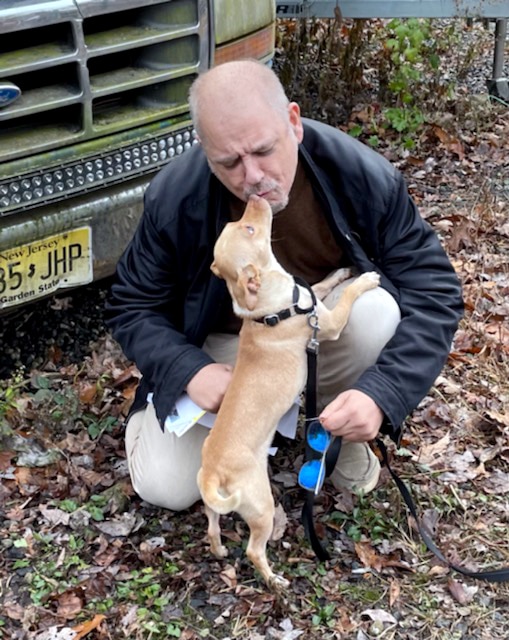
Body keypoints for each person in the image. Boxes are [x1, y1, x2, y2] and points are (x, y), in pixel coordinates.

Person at [105, 60, 463, 512]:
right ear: (204, 147)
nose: (251, 176)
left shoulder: (362, 175)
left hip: (313, 332)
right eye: (229, 162)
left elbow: (434, 290)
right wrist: (188, 368)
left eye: (263, 150)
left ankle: (333, 422)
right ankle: (172, 425)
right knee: (168, 488)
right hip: (227, 351)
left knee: (374, 313)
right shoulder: (175, 197)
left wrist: (383, 393)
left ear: (293, 122)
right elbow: (132, 305)